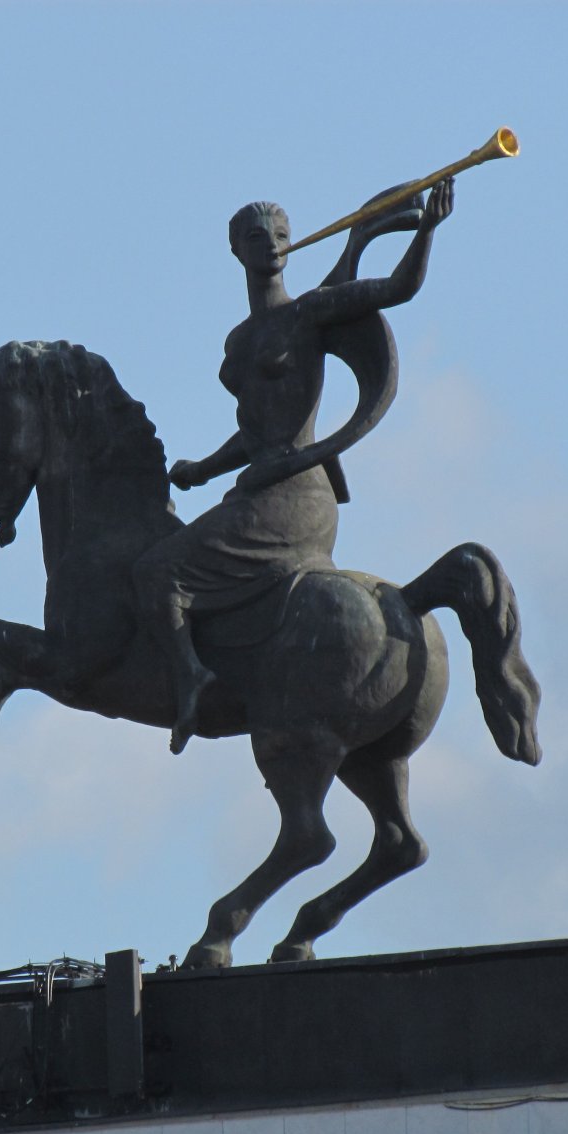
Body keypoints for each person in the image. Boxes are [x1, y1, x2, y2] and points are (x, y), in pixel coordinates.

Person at [133, 179, 454, 754]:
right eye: (258, 237)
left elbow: (399, 288)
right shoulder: (243, 337)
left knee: (159, 573)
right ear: (238, 251)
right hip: (255, 491)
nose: (272, 244)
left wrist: (427, 230)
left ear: (292, 244)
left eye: (281, 235)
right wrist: (205, 468)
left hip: (298, 497)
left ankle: (192, 679)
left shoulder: (309, 313)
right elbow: (257, 430)